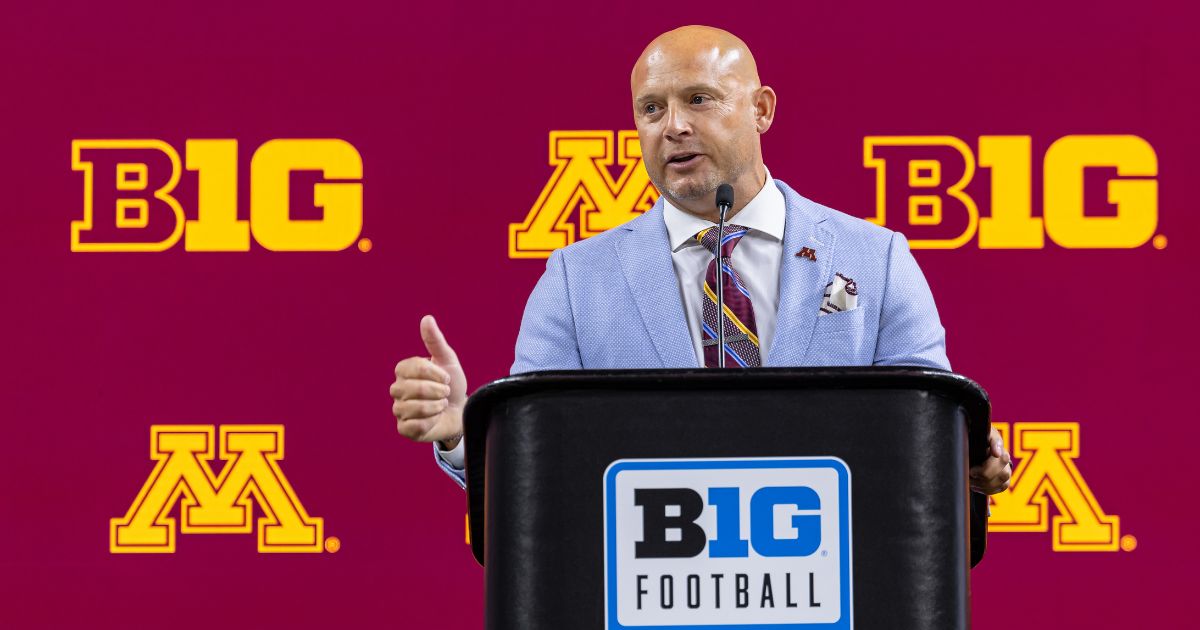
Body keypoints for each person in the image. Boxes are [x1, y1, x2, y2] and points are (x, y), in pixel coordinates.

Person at [389, 25, 1012, 495]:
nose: (673, 127)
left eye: (699, 99)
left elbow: (930, 434)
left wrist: (967, 460)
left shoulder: (873, 259)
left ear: (761, 109)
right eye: (651, 109)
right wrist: (459, 434)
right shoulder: (577, 280)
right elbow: (539, 464)